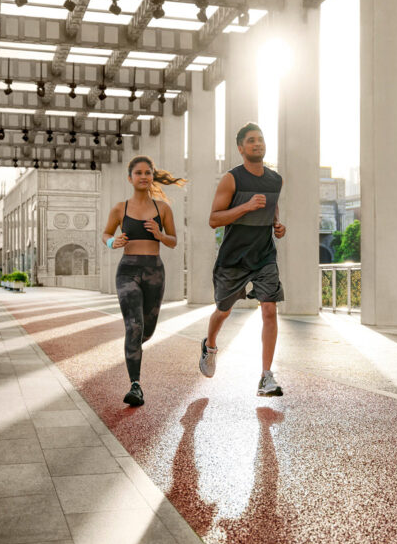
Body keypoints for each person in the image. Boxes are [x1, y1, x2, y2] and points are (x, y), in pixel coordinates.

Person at [199, 123, 286, 397]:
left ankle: (266, 376)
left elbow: (272, 207)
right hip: (233, 259)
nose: (257, 144)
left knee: (269, 310)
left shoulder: (275, 180)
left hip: (264, 257)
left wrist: (277, 225)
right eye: (251, 141)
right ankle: (210, 345)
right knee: (223, 310)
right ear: (241, 148)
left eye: (260, 140)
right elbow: (214, 219)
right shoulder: (231, 179)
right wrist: (246, 206)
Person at [102, 155, 184, 407]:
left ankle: (133, 346)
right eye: (138, 172)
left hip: (154, 272)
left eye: (148, 172)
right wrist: (112, 242)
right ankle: (135, 385)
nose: (143, 176)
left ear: (152, 177)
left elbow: (173, 241)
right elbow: (106, 232)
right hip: (127, 270)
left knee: (146, 330)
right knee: (134, 327)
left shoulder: (163, 209)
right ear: (130, 178)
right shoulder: (120, 208)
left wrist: (159, 234)